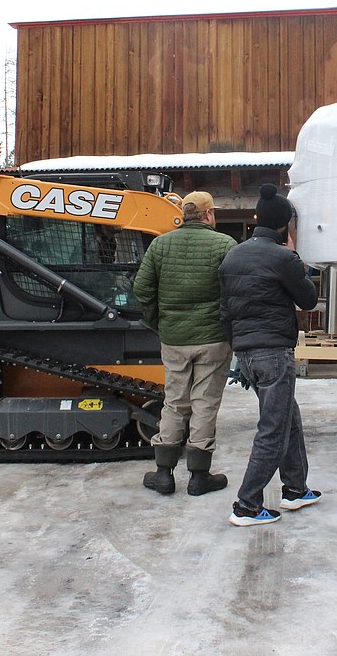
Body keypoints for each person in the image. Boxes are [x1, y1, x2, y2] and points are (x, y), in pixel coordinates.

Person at [219, 184, 320, 526]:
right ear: (284, 226)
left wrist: (238, 348)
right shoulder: (283, 257)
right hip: (273, 352)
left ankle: (295, 489)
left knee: (288, 416)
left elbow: (225, 308)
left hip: (247, 352)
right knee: (273, 430)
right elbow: (308, 300)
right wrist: (297, 260)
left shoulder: (234, 254)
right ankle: (246, 505)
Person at [133, 190, 237, 496]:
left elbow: (142, 289)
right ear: (206, 215)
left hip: (174, 338)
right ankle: (198, 477)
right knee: (205, 403)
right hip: (213, 340)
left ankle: (163, 474)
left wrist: (159, 322)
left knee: (175, 401)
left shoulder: (160, 244)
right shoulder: (225, 245)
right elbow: (235, 292)